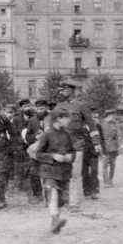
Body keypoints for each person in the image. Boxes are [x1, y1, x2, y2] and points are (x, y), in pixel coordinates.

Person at [47, 80, 100, 213]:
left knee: (75, 174)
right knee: (62, 173)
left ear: (70, 90)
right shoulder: (58, 107)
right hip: (61, 145)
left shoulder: (81, 106)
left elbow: (91, 124)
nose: (60, 92)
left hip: (77, 143)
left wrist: (96, 142)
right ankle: (64, 199)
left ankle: (74, 202)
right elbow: (49, 123)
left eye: (63, 90)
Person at [28, 105, 75, 234]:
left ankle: (55, 220)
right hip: (50, 170)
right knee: (53, 192)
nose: (68, 120)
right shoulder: (47, 134)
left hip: (64, 170)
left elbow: (72, 150)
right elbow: (38, 154)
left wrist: (71, 156)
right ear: (57, 119)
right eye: (65, 118)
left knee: (61, 199)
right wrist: (53, 156)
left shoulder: (67, 134)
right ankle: (54, 219)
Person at [100, 110, 121, 188]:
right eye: (112, 115)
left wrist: (119, 145)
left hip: (113, 147)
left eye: (113, 115)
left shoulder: (114, 123)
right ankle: (106, 182)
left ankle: (110, 180)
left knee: (112, 165)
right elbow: (99, 136)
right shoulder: (102, 124)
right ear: (108, 115)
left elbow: (118, 135)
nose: (113, 116)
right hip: (105, 146)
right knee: (105, 165)